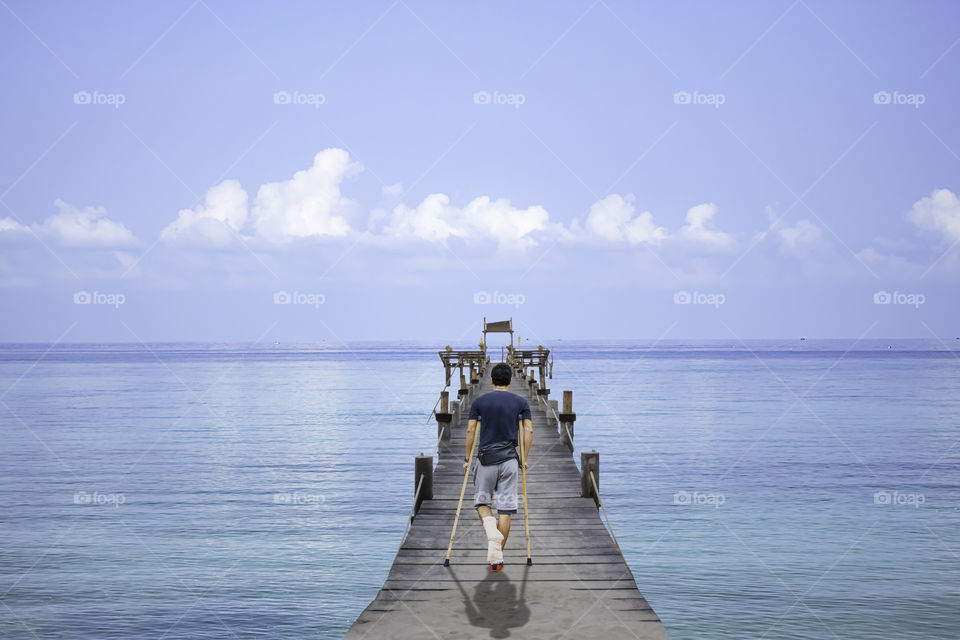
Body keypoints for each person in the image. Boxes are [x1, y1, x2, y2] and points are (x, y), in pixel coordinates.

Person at [464, 362, 533, 572]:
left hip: (485, 460)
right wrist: (524, 458)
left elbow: (470, 430)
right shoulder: (520, 402)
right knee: (505, 510)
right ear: (510, 381)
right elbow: (528, 430)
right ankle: (496, 559)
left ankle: (490, 529)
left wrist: (468, 458)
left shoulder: (480, 401)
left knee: (482, 503)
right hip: (510, 460)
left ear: (492, 380)